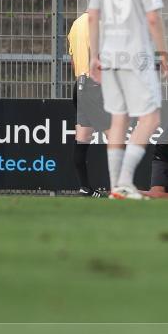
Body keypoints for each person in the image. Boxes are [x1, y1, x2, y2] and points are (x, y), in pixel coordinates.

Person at [87, 0, 168, 199]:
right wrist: (163, 52)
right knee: (150, 118)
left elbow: (93, 17)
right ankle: (123, 181)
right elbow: (152, 17)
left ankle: (115, 188)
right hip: (136, 55)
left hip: (110, 54)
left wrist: (93, 55)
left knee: (118, 119)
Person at [67, 11, 107, 197]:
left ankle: (84, 187)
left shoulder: (76, 24)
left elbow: (73, 62)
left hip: (80, 85)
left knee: (82, 137)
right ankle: (122, 187)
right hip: (95, 85)